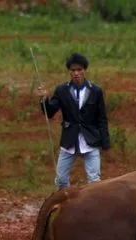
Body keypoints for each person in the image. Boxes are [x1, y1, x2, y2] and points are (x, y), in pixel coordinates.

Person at [37, 53, 110, 190]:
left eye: (79, 70)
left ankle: (93, 209)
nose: (76, 73)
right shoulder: (62, 90)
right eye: (73, 70)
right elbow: (50, 112)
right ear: (69, 71)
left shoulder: (95, 90)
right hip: (69, 140)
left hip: (91, 139)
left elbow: (102, 118)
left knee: (94, 181)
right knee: (61, 180)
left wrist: (105, 142)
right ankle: (66, 205)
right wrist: (44, 100)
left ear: (85, 70)